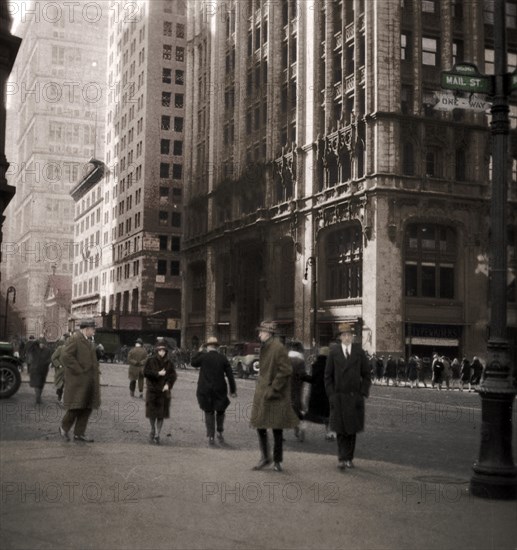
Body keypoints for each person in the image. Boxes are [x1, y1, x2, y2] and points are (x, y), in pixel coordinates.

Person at [250, 320, 299, 472]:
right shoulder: (267, 346)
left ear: (269, 333)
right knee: (261, 425)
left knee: (277, 428)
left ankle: (276, 460)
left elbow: (286, 370)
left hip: (275, 394)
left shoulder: (277, 347)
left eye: (262, 332)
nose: (259, 334)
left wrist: (273, 388)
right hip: (264, 393)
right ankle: (267, 457)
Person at [324, 322, 371, 470]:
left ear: (352, 337)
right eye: (344, 335)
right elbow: (327, 376)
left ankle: (349, 458)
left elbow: (367, 375)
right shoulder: (334, 352)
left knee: (351, 430)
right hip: (338, 397)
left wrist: (362, 393)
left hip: (354, 397)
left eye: (349, 335)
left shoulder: (359, 352)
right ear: (340, 338)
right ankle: (342, 458)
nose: (347, 338)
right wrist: (331, 394)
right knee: (340, 429)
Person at [58, 319, 101, 443]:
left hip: (89, 380)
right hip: (78, 381)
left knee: (87, 407)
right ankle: (63, 428)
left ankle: (79, 433)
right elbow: (66, 356)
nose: (94, 332)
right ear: (86, 329)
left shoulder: (89, 341)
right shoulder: (75, 339)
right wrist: (79, 370)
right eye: (93, 330)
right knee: (76, 406)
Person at [191, 336, 237, 445]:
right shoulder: (223, 358)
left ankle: (211, 436)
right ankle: (220, 431)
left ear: (207, 347)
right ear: (217, 347)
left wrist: (198, 351)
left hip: (205, 389)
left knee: (209, 411)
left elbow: (193, 363)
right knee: (220, 410)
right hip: (220, 388)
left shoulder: (203, 357)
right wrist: (233, 390)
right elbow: (230, 375)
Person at [143, 341, 177, 444]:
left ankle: (158, 434)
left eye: (164, 350)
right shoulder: (150, 360)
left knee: (161, 414)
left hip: (163, 391)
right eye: (160, 350)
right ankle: (153, 429)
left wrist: (168, 385)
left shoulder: (169, 363)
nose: (162, 352)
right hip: (152, 390)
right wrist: (157, 373)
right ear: (156, 351)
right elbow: (145, 373)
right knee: (152, 413)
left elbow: (172, 376)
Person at [304, 346, 334, 440]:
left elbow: (312, 379)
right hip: (327, 394)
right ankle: (329, 433)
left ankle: (302, 429)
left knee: (310, 414)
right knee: (327, 415)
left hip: (316, 393)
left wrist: (303, 377)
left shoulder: (315, 365)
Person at [287, 340, 312, 442]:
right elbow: (302, 375)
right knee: (298, 408)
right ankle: (299, 427)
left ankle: (281, 433)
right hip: (296, 388)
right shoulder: (300, 361)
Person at [29, 338, 52, 404]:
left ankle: (39, 396)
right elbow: (30, 348)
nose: (41, 345)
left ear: (45, 344)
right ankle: (38, 397)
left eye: (43, 344)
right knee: (37, 384)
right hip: (35, 369)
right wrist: (35, 341)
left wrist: (47, 362)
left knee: (41, 384)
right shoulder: (35, 349)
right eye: (40, 343)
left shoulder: (48, 350)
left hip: (43, 370)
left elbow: (50, 358)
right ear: (38, 344)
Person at [51, 333, 70, 403]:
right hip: (61, 370)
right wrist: (58, 365)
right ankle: (59, 396)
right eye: (67, 340)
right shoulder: (60, 348)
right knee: (61, 386)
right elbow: (53, 357)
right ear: (65, 341)